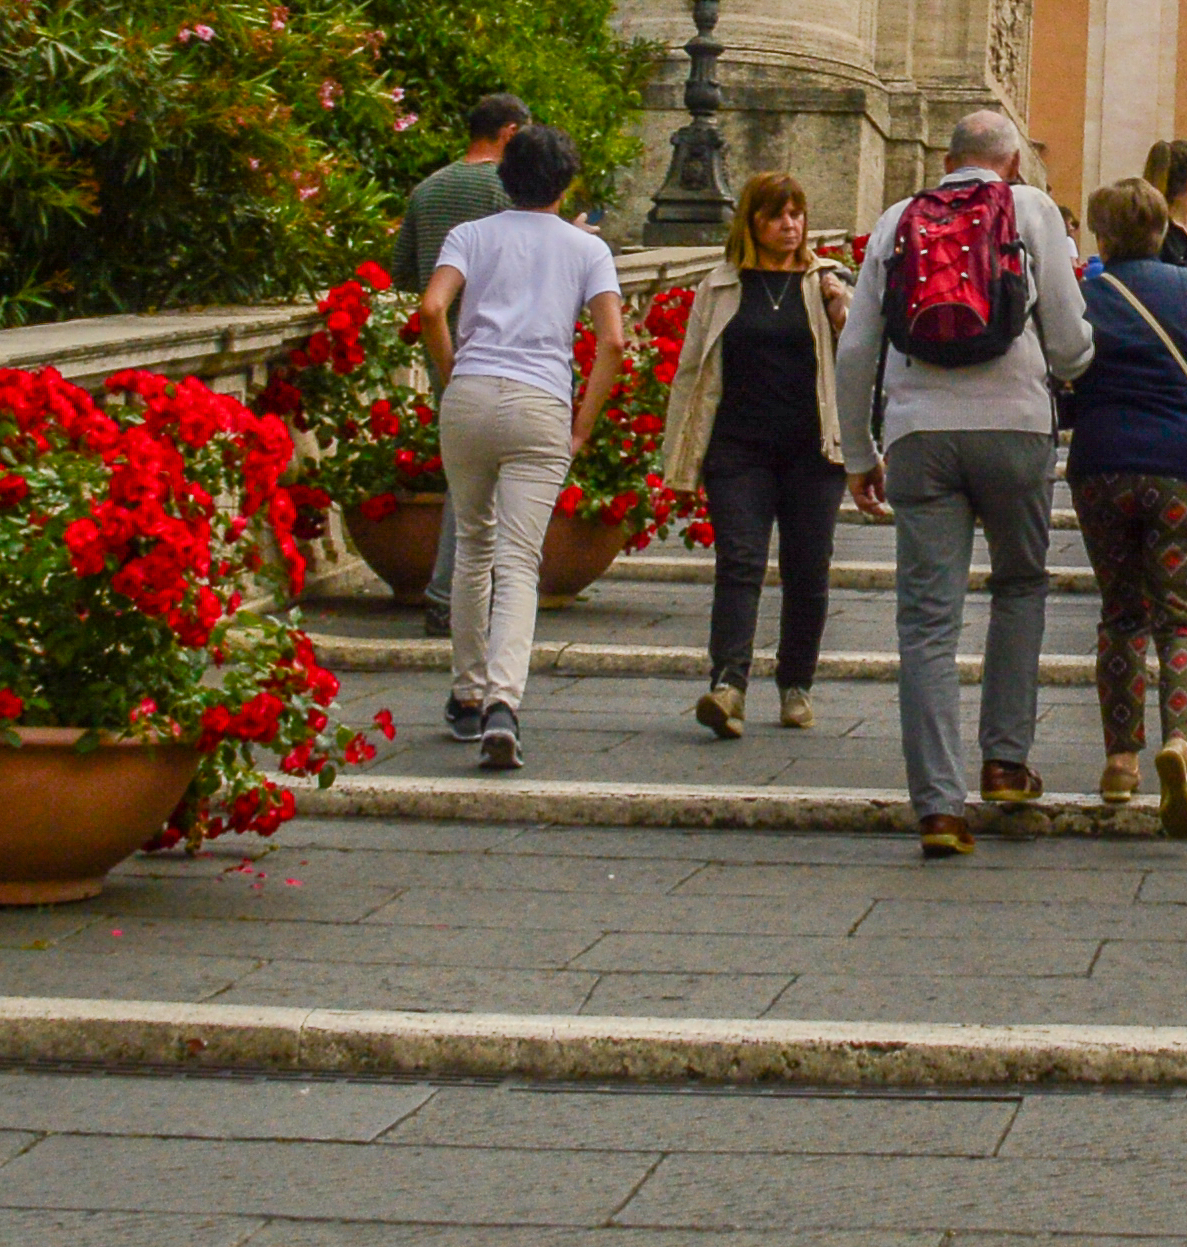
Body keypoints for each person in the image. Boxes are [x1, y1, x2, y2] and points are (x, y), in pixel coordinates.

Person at [833, 105, 1095, 858]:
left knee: (926, 623)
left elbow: (857, 349)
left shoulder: (896, 220)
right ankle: (1007, 762)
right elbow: (1072, 344)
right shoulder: (1032, 209)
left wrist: (858, 453)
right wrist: (1068, 368)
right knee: (1019, 585)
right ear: (1012, 161)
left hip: (919, 433)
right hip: (1015, 428)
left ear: (949, 160)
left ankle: (940, 807)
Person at [416, 123, 623, 770]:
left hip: (472, 394)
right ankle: (504, 702)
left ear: (506, 177)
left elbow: (430, 309)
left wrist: (454, 376)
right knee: (519, 558)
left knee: (473, 546)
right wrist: (583, 422)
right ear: (567, 182)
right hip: (540, 404)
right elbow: (614, 343)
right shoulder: (587, 249)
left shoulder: (470, 236)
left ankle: (467, 695)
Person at [653, 172, 868, 740]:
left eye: (796, 214)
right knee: (740, 563)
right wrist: (679, 453)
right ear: (751, 221)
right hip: (737, 447)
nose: (789, 225)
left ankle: (797, 684)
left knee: (807, 569)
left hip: (811, 450)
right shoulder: (721, 287)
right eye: (776, 215)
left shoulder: (826, 282)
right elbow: (692, 372)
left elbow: (859, 362)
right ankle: (728, 685)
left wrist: (844, 310)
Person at [1067, 176, 1187, 830]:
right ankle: (1179, 741)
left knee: (1120, 615)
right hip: (1184, 471)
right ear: (1162, 230)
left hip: (1103, 466)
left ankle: (1120, 763)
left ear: (1102, 234)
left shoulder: (1089, 295)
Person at [391, 91, 529, 293]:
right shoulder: (510, 189)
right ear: (511, 133)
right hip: (492, 321)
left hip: (436, 320)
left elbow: (402, 273)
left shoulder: (425, 189)